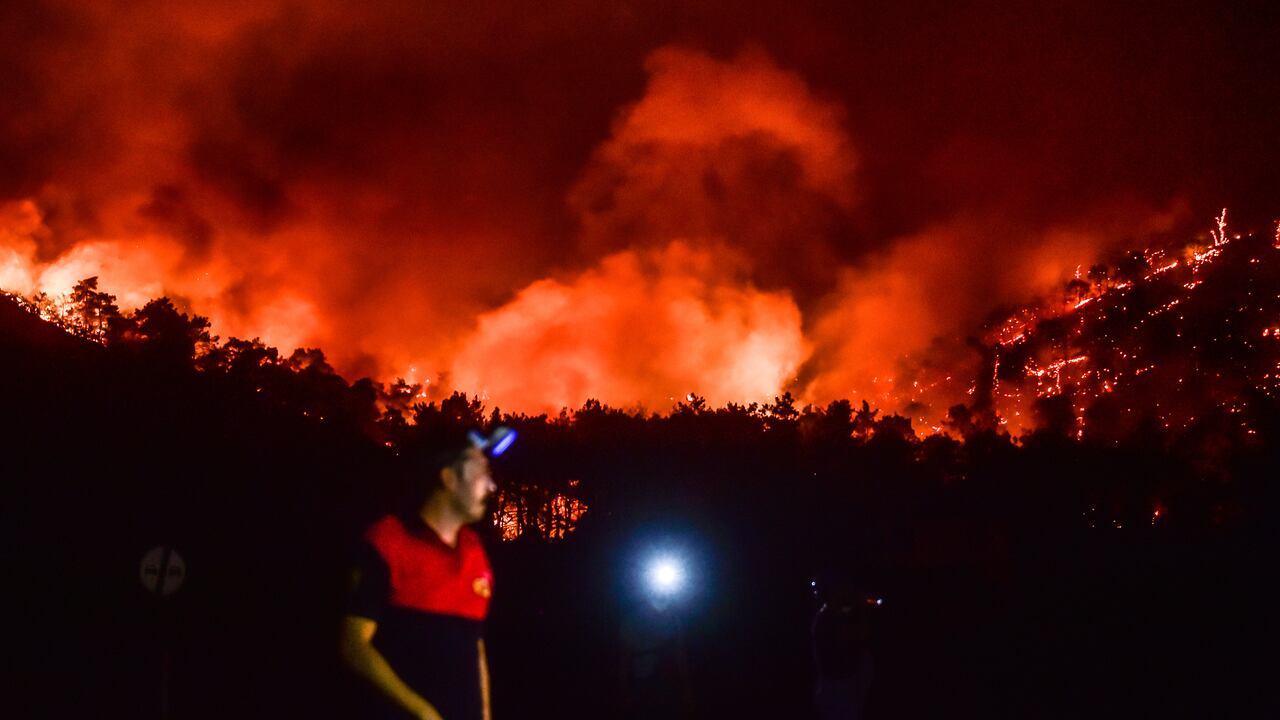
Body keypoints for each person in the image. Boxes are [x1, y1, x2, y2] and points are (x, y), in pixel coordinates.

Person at [340, 427, 514, 720]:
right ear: (447, 477)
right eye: (481, 472)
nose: (491, 486)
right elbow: (353, 644)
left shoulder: (475, 552)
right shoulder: (388, 542)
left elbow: (475, 645)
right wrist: (421, 711)